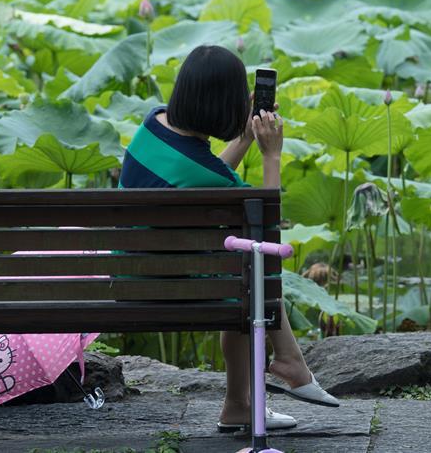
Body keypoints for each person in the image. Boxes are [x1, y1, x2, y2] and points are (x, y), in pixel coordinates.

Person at [119, 45, 339, 432]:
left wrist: (246, 137)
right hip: (163, 288)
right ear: (225, 103)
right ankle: (289, 362)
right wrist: (271, 154)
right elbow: (268, 231)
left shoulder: (152, 123)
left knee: (237, 276)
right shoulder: (212, 178)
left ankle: (242, 403)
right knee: (252, 274)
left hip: (129, 274)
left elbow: (199, 174)